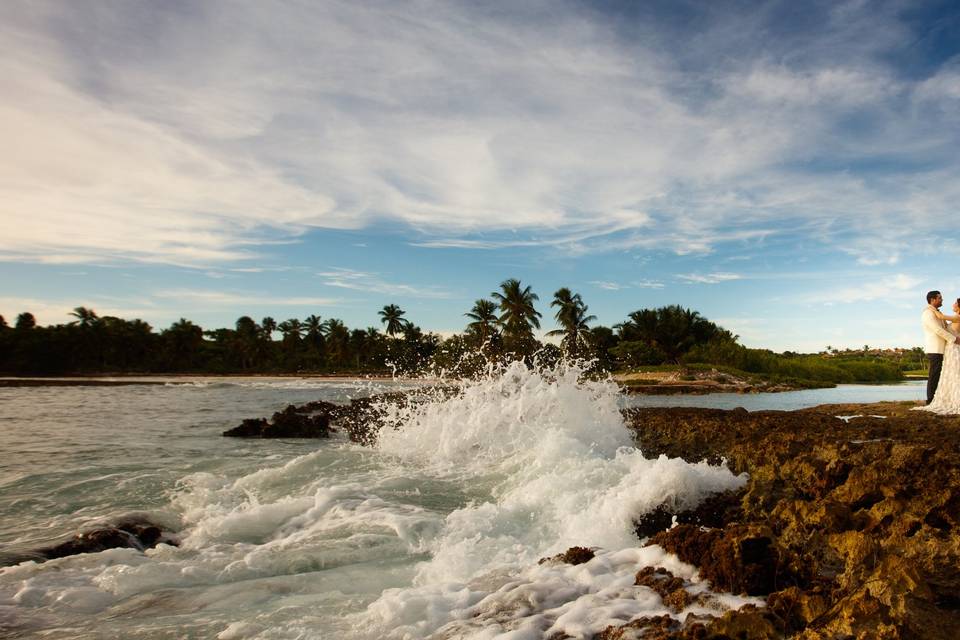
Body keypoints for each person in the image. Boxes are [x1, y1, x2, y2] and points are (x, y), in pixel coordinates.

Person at [918, 291, 960, 412]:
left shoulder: (937, 313)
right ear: (933, 300)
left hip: (945, 349)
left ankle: (941, 398)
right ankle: (930, 400)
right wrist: (954, 339)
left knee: (942, 376)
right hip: (935, 348)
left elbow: (946, 327)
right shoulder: (928, 313)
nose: (942, 300)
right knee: (934, 375)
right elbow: (937, 329)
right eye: (940, 298)